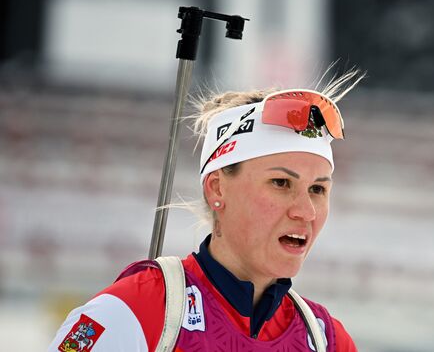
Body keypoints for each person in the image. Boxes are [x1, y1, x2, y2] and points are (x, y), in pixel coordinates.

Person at [48, 71, 363, 352]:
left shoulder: (326, 340)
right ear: (217, 188)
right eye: (280, 182)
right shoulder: (136, 311)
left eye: (318, 189)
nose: (306, 211)